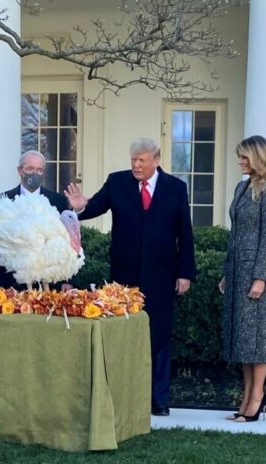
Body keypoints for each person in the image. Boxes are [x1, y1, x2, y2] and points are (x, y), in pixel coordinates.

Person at [64, 138, 196, 416]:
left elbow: (185, 233)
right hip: (124, 275)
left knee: (158, 335)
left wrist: (185, 272)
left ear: (156, 160)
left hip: (161, 273)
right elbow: (94, 206)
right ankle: (125, 396)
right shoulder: (117, 182)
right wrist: (78, 207)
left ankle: (158, 399)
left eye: (142, 160)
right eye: (133, 159)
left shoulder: (175, 188)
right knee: (124, 333)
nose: (136, 165)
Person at [218, 135, 266, 423]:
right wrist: (226, 272)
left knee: (258, 339)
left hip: (257, 274)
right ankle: (246, 396)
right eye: (239, 157)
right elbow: (235, 235)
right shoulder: (241, 186)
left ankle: (257, 397)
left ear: (259, 157)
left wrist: (260, 278)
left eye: (244, 157)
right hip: (237, 271)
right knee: (243, 340)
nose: (240, 162)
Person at [0, 150, 73, 291]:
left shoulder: (59, 202)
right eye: (30, 169)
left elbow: (68, 243)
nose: (35, 174)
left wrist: (68, 280)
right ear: (20, 171)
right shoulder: (1, 200)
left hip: (51, 284)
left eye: (39, 170)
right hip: (11, 285)